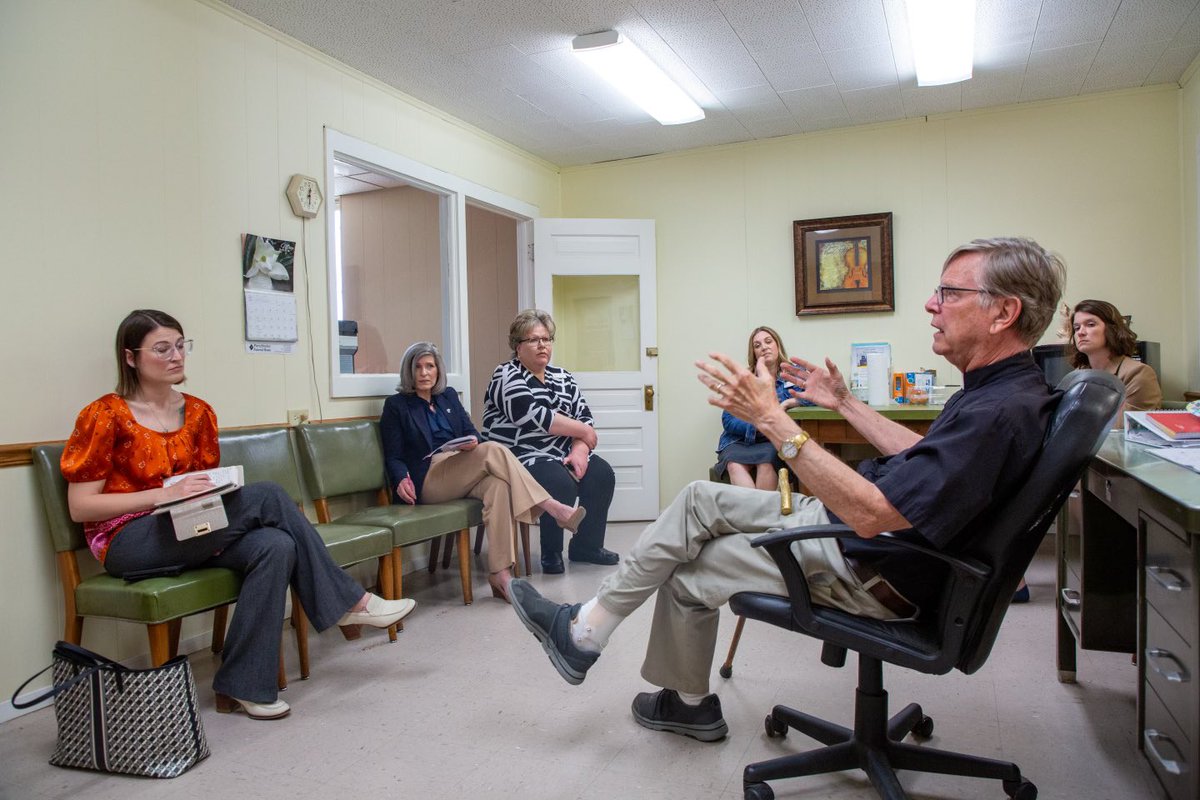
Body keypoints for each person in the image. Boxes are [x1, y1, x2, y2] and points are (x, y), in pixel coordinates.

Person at [507, 237, 1066, 741]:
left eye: (949, 292)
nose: (931, 304)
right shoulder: (1005, 393)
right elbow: (914, 454)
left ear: (1004, 313)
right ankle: (597, 638)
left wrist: (774, 420)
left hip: (868, 562)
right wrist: (844, 402)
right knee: (699, 501)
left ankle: (643, 672)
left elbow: (873, 513)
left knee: (692, 568)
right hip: (871, 547)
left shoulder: (997, 412)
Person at [62, 310, 415, 721]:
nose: (176, 356)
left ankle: (243, 684)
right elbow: (81, 506)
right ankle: (348, 600)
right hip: (129, 540)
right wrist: (162, 496)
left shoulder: (198, 413)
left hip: (189, 526)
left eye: (180, 346)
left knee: (275, 545)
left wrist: (201, 492)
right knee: (268, 496)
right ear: (130, 357)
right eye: (162, 349)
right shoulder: (104, 415)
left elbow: (203, 488)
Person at [379, 341, 587, 602]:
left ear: (438, 370)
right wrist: (400, 478)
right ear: (409, 372)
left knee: (497, 486)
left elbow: (473, 434)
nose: (424, 373)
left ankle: (500, 576)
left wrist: (471, 442)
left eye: (429, 366)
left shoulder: (448, 397)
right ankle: (553, 507)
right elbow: (393, 454)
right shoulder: (397, 406)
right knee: (493, 450)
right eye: (418, 367)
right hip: (429, 477)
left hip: (460, 466)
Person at [482, 309, 617, 575]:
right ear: (518, 347)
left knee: (602, 474)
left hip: (563, 452)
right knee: (558, 480)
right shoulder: (506, 375)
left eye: (547, 338)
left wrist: (580, 449)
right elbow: (535, 416)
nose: (542, 345)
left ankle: (586, 547)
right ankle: (551, 553)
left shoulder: (563, 376)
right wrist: (584, 433)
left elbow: (584, 416)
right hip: (521, 454)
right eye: (533, 339)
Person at [714, 326, 807, 489]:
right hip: (738, 440)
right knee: (734, 465)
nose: (764, 347)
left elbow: (816, 397)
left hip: (773, 440)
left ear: (777, 345)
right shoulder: (743, 380)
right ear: (754, 354)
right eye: (757, 345)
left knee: (767, 462)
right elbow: (728, 420)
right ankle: (756, 514)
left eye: (768, 342)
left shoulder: (793, 373)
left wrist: (789, 403)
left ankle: (756, 513)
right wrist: (758, 425)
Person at [1065, 298, 1162, 421]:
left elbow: (1130, 426)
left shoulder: (1139, 373)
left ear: (1112, 329)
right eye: (1077, 328)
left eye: (1090, 325)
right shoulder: (1076, 375)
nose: (1080, 333)